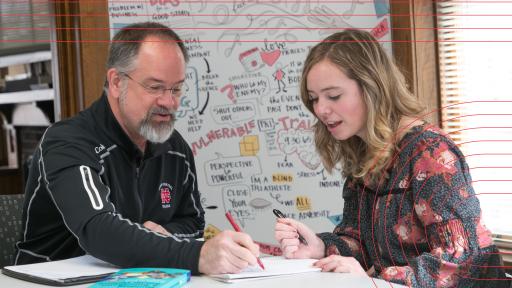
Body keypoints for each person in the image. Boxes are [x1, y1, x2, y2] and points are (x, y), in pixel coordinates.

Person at [15, 22, 260, 275]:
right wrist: (198, 255)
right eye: (154, 87)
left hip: (137, 279)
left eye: (176, 88)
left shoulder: (175, 148)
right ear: (116, 82)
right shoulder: (67, 141)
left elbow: (193, 221)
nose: (168, 102)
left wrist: (165, 234)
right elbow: (99, 231)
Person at [274, 29, 509, 287]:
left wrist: (372, 279)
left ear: (371, 87)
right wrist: (320, 246)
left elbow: (461, 261)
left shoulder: (430, 153)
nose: (320, 110)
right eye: (314, 99)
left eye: (334, 96)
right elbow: (362, 242)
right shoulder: (364, 153)